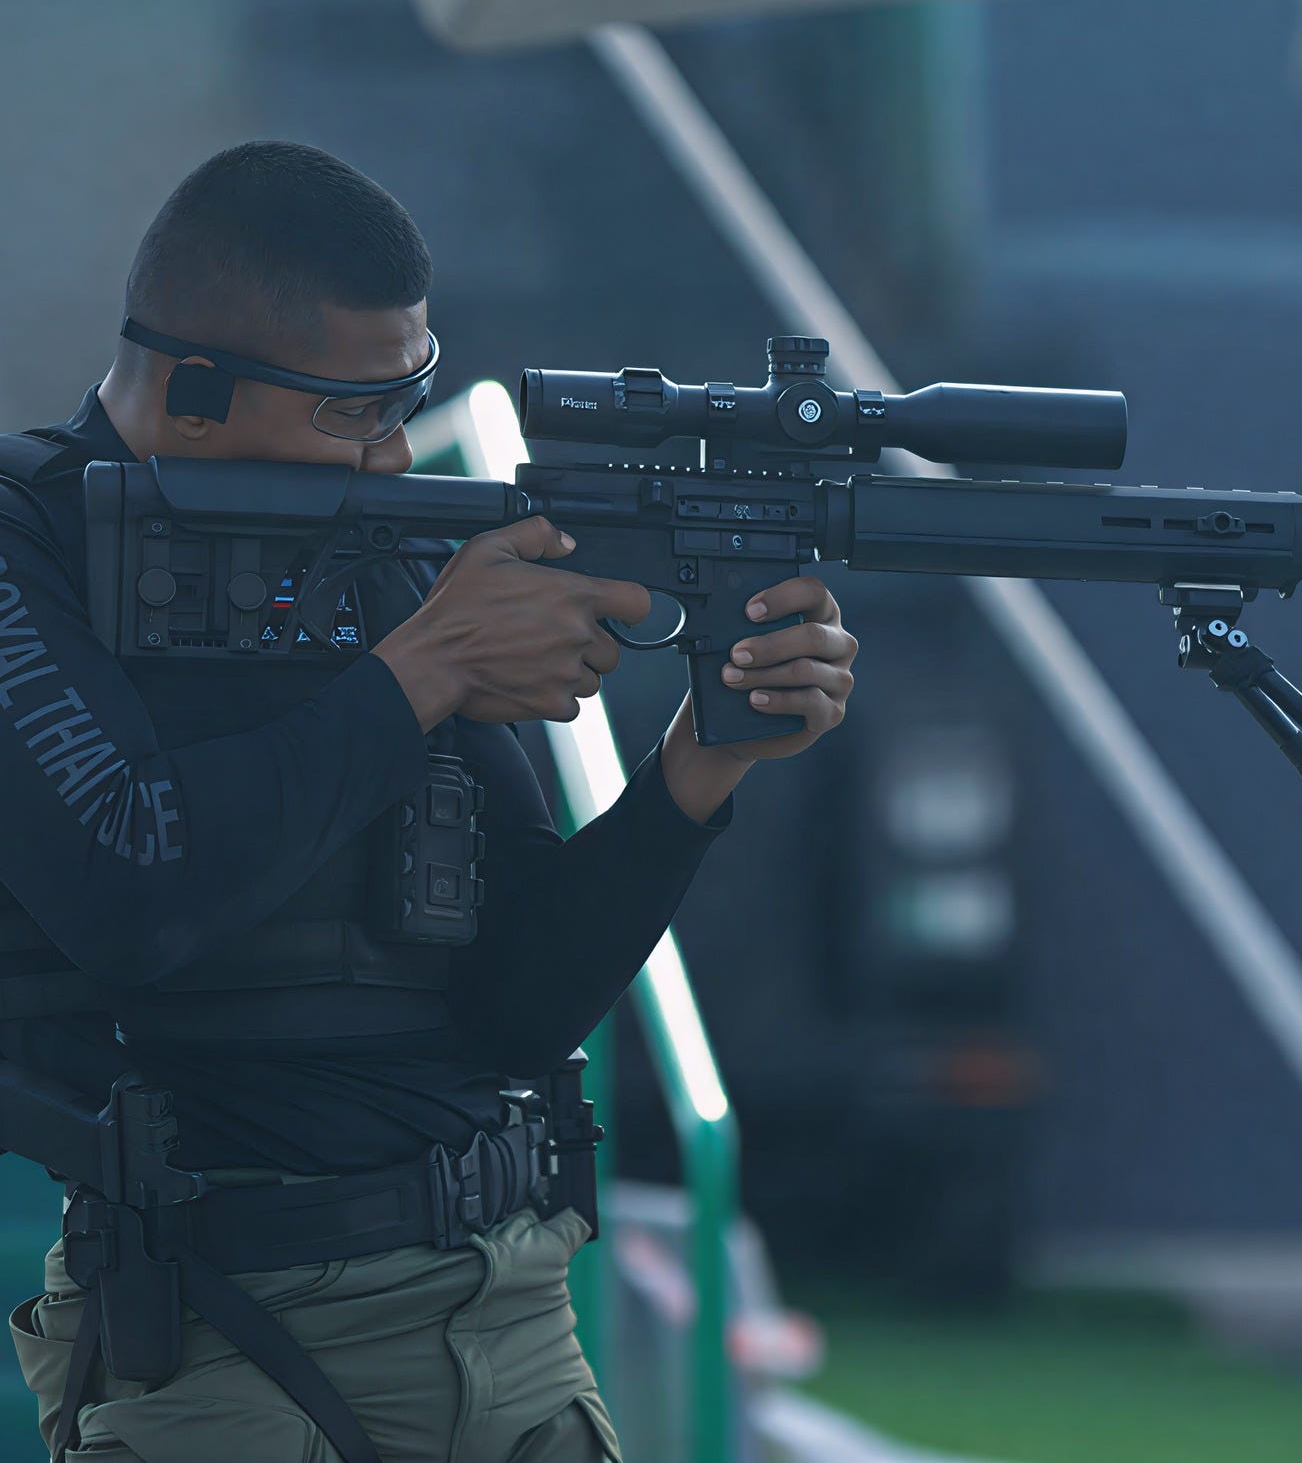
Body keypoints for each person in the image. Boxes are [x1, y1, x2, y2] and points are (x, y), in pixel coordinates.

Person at [0, 141, 858, 1462]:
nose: (398, 455)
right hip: (219, 1330)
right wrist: (426, 668)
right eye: (356, 411)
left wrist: (697, 768)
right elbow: (131, 889)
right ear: (195, 392)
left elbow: (513, 1008)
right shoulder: (31, 544)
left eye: (410, 395)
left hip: (506, 1314)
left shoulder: (373, 553)